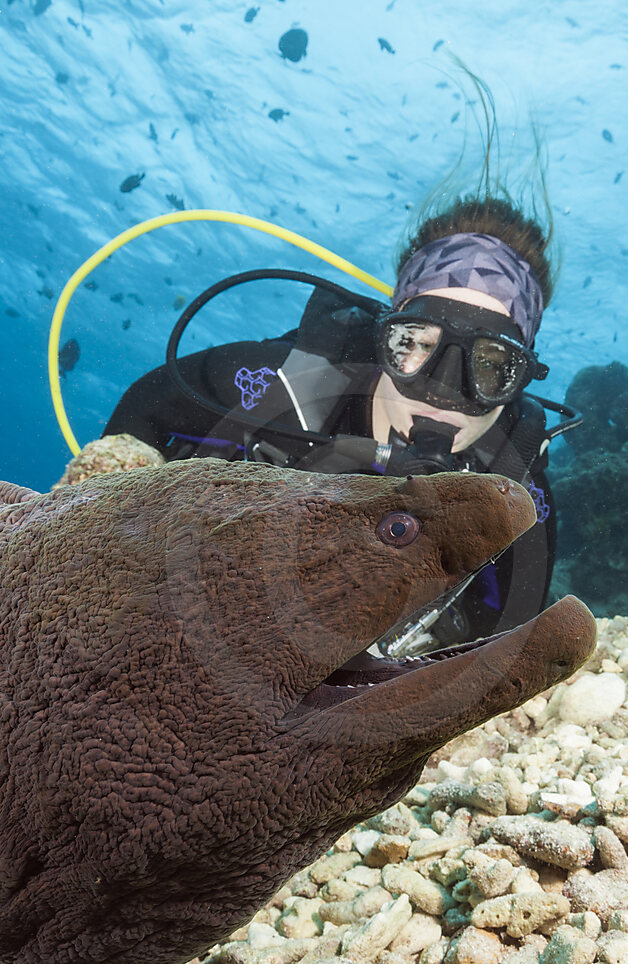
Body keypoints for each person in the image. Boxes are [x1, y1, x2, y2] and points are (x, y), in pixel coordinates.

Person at [103, 195, 580, 654]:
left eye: (491, 365)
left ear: (521, 379)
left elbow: (507, 630)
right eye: (415, 342)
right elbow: (141, 412)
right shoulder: (277, 389)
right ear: (383, 339)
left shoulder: (517, 492)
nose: (444, 390)